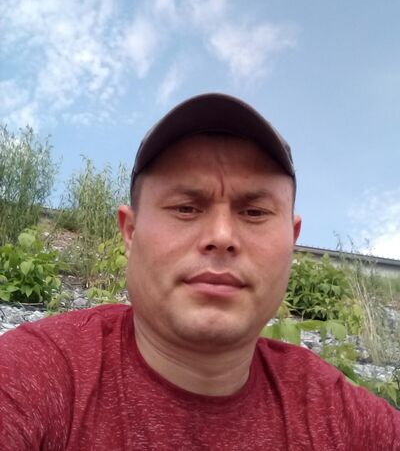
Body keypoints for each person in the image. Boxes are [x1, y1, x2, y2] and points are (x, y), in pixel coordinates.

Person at [0, 93, 399, 450]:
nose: (221, 236)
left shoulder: (342, 418)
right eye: (186, 208)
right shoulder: (39, 374)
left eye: (254, 212)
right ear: (131, 232)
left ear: (291, 240)